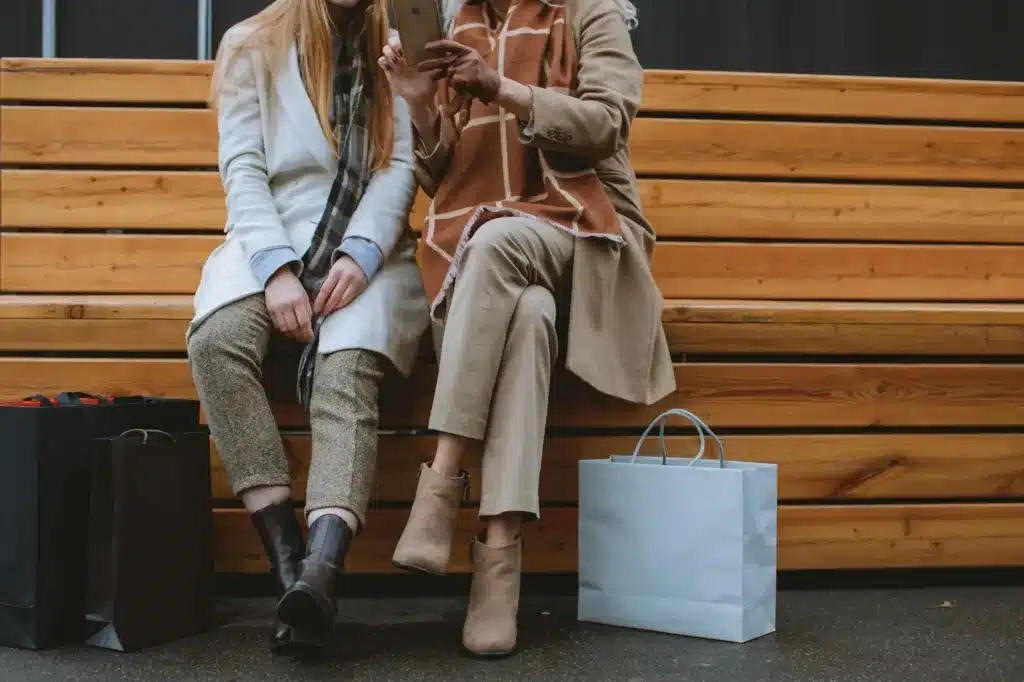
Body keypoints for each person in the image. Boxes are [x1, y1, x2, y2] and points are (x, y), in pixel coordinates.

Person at [379, 0, 674, 659]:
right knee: (529, 314)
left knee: (496, 244)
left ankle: (444, 476)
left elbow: (606, 123)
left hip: (585, 230)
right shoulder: (461, 22)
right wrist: (422, 104)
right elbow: (441, 177)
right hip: (486, 249)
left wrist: (502, 88)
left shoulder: (591, 12)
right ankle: (498, 564)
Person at [187, 0, 427, 660]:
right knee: (215, 341)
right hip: (269, 242)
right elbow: (243, 168)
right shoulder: (250, 45)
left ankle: (322, 570)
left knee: (347, 366)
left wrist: (361, 252)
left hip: (365, 256)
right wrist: (273, 268)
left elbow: (398, 166)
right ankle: (290, 567)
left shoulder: (394, 45)